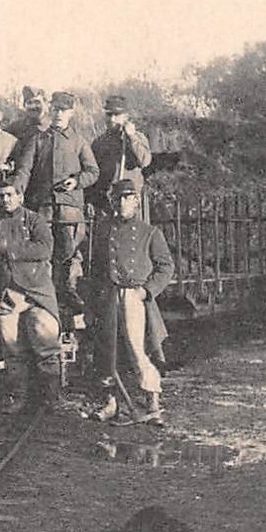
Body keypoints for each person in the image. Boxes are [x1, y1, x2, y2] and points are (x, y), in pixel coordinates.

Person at [0, 182, 67, 414]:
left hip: (37, 293)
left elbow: (45, 249)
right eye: (1, 196)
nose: (5, 200)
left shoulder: (36, 220)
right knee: (12, 350)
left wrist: (11, 248)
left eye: (9, 195)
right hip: (7, 294)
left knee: (45, 342)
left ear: (20, 197)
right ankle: (17, 397)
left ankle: (51, 398)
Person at [90, 181, 174, 425]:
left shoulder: (150, 232)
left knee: (138, 348)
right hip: (109, 295)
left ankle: (152, 401)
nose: (122, 203)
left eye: (128, 198)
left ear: (136, 202)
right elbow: (96, 266)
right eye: (118, 198)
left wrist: (147, 291)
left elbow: (165, 266)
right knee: (108, 350)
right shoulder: (104, 230)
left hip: (133, 296)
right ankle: (111, 402)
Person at [10, 90, 99, 309]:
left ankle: (69, 291)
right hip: (43, 207)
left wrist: (77, 181)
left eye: (64, 110)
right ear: (51, 110)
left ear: (71, 112)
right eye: (56, 109)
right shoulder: (38, 139)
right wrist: (17, 190)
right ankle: (44, 294)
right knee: (43, 250)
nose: (59, 114)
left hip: (70, 207)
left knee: (70, 251)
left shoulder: (78, 141)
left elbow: (93, 171)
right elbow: (24, 170)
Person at [89, 95, 153, 217]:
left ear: (126, 117)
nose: (112, 119)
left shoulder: (137, 138)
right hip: (107, 204)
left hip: (131, 203)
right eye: (109, 114)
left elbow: (145, 161)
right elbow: (93, 174)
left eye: (116, 115)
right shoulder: (99, 143)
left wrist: (131, 137)